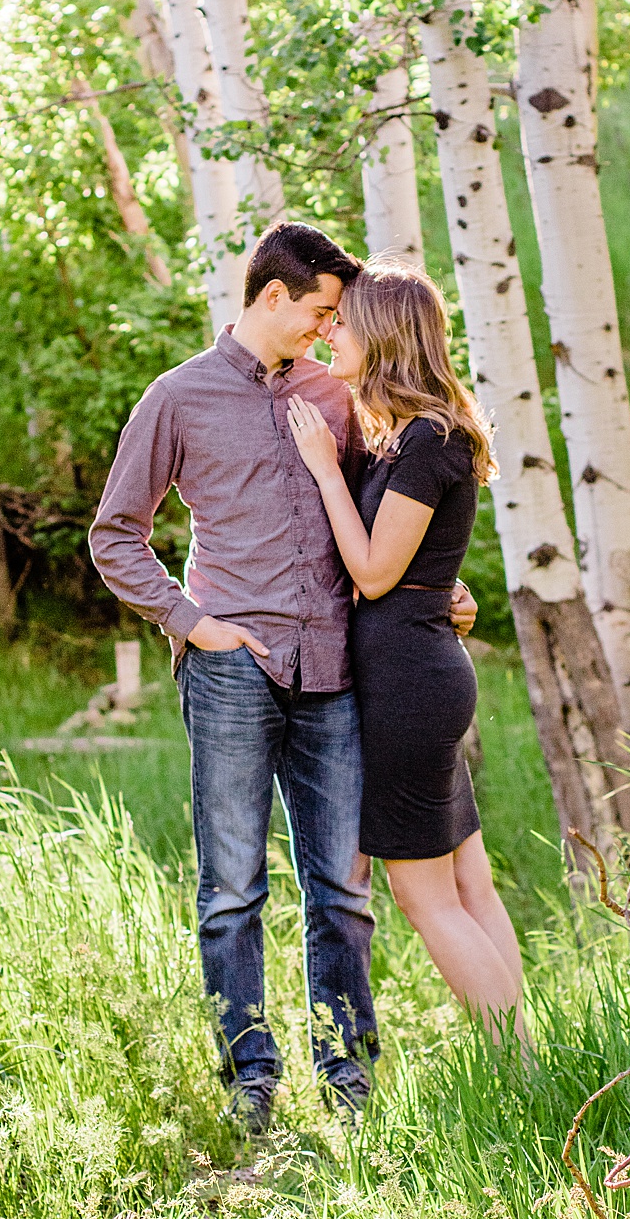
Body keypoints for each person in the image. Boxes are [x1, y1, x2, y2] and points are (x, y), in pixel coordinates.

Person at [89, 222, 477, 1132]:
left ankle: (349, 1082)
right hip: (231, 667)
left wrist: (442, 590)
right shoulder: (178, 398)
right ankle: (249, 1084)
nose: (329, 330)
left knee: (342, 889)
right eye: (320, 312)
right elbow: (115, 534)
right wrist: (193, 625)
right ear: (273, 297)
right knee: (232, 889)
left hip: (337, 667)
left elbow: (391, 517)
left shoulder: (336, 397)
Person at [286, 258, 527, 1046]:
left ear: (384, 336)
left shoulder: (426, 440)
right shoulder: (414, 435)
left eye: (343, 323)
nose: (330, 332)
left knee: (428, 899)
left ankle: (520, 1065)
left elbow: (375, 572)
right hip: (422, 672)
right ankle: (530, 1057)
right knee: (470, 885)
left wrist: (324, 471)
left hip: (407, 686)